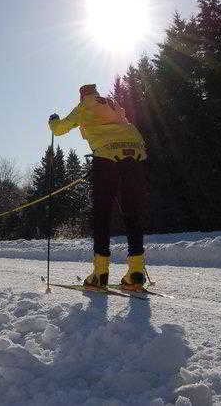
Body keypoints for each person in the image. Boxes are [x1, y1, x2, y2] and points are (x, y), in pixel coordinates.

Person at [49, 83, 149, 290]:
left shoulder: (85, 106)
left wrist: (53, 122)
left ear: (82, 96)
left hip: (106, 156)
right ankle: (136, 273)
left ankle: (100, 274)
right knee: (133, 212)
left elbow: (60, 129)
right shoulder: (112, 103)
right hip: (135, 153)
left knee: (102, 214)